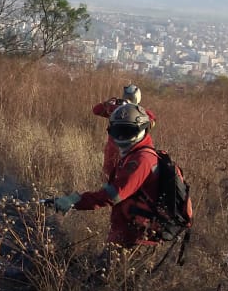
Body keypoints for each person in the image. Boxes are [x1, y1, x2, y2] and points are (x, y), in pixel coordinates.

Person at [51, 102, 161, 248]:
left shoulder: (142, 159)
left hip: (138, 238)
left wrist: (75, 200)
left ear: (143, 129)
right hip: (129, 230)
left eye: (127, 131)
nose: (121, 136)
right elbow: (97, 109)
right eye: (117, 131)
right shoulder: (133, 153)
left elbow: (113, 195)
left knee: (109, 262)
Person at [93, 85, 156, 180]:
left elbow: (151, 121)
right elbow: (96, 110)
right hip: (114, 153)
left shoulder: (137, 114)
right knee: (110, 178)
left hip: (128, 154)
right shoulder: (117, 110)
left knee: (123, 180)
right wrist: (110, 104)